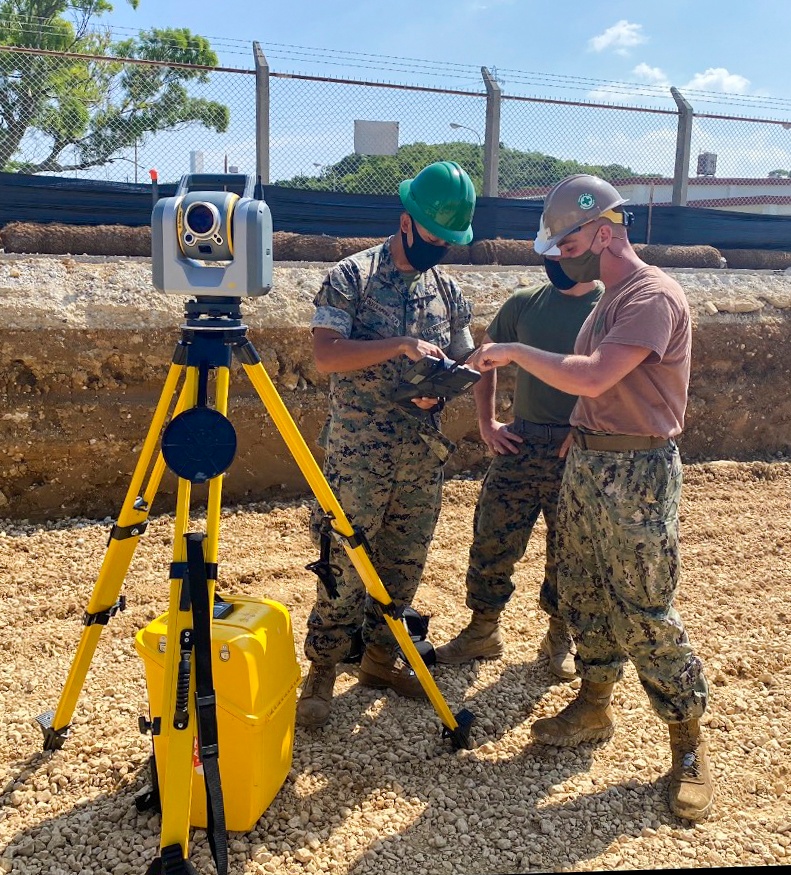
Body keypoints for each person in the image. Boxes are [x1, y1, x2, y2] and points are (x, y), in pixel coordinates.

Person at [467, 174, 713, 822]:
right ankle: (593, 703)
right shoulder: (611, 299)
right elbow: (600, 391)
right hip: (589, 462)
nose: (560, 257)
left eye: (568, 244)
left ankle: (687, 743)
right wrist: (581, 431)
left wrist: (513, 351)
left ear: (603, 233)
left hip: (636, 474)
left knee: (645, 608)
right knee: (583, 589)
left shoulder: (651, 296)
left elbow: (598, 374)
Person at [297, 160, 477, 728]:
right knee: (343, 564)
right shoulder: (351, 277)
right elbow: (326, 354)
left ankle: (380, 658)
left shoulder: (448, 291)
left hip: (420, 456)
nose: (439, 248)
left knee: (403, 563)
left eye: (448, 241)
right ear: (405, 222)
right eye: (433, 236)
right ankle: (322, 668)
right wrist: (399, 345)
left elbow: (463, 357)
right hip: (359, 454)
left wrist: (440, 388)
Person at [434, 265, 602, 680]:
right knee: (492, 538)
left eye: (568, 250)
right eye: (554, 250)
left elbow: (618, 375)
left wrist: (587, 427)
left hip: (574, 450)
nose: (559, 259)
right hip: (521, 442)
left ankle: (559, 636)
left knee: (570, 552)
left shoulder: (609, 307)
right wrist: (487, 424)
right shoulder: (525, 302)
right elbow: (483, 360)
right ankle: (483, 630)